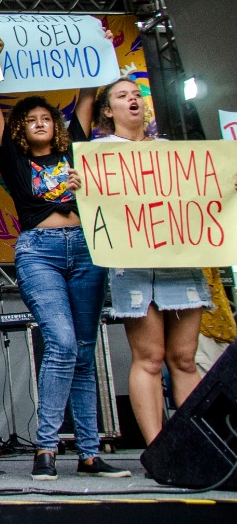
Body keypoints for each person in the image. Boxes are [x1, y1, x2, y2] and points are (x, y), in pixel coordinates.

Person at [0, 89, 129, 479]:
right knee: (62, 343)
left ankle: (88, 454)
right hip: (39, 252)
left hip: (87, 249)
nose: (38, 123)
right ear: (20, 129)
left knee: (84, 353)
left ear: (57, 126)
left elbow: (87, 94)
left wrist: (92, 42)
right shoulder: (14, 159)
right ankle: (46, 447)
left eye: (46, 118)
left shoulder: (76, 153)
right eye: (30, 119)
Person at [85, 77, 209, 445]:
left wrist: (221, 184)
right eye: (123, 96)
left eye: (136, 94)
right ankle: (158, 446)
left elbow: (198, 197)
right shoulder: (99, 153)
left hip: (179, 260)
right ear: (108, 110)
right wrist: (82, 184)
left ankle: (194, 442)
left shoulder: (171, 151)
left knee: (185, 358)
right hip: (134, 265)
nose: (132, 100)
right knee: (150, 357)